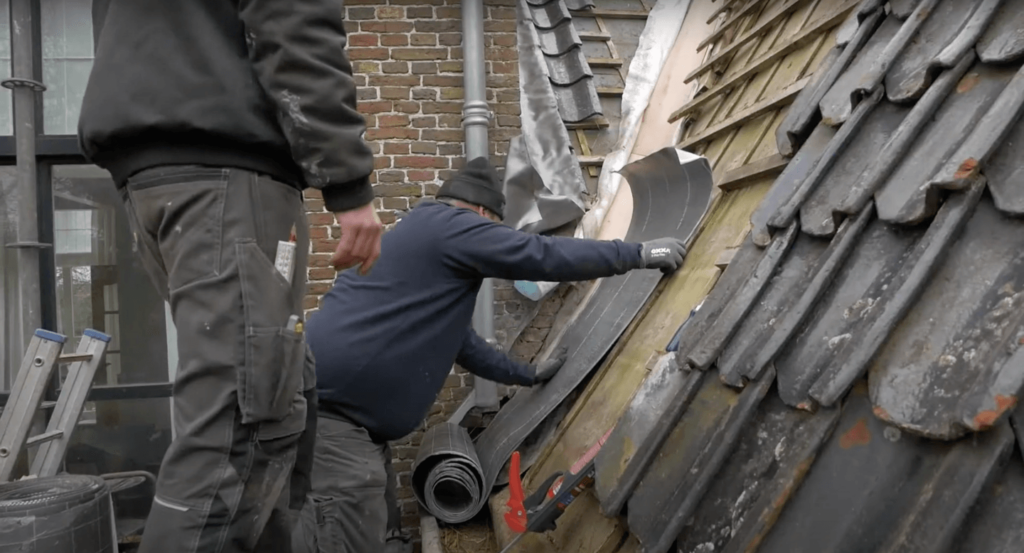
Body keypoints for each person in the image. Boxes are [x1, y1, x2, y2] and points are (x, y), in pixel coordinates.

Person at [76, 1, 382, 551]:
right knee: (243, 424)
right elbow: (294, 20)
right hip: (224, 170)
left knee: (280, 393)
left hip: (156, 175)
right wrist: (348, 183)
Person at [298, 157, 689, 551]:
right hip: (335, 421)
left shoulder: (422, 243)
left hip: (346, 421)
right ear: (483, 213)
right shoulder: (451, 227)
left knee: (381, 533)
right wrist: (636, 254)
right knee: (344, 534)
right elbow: (541, 255)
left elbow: (463, 345)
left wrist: (527, 374)